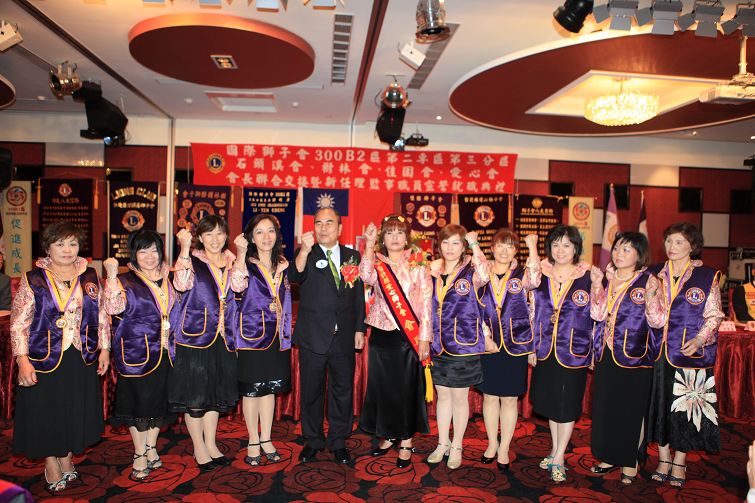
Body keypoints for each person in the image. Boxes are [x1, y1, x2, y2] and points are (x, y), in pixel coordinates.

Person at [11, 221, 110, 493]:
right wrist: (22, 360)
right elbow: (19, 323)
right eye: (60, 244)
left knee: (73, 407)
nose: (67, 250)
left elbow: (102, 314)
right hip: (44, 355)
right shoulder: (33, 279)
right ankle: (50, 460)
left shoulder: (90, 275)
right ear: (48, 247)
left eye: (72, 244)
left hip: (81, 353)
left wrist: (105, 348)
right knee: (47, 409)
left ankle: (66, 455)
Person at [647, 222, 724, 488]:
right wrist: (651, 296)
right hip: (658, 351)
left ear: (692, 246)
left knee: (685, 409)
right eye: (669, 241)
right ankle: (663, 457)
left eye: (679, 242)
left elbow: (714, 315)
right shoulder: (654, 273)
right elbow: (652, 317)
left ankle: (680, 459)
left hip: (690, 353)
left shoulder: (706, 276)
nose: (672, 247)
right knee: (660, 405)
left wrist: (700, 338)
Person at [289, 207, 366, 465]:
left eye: (329, 222)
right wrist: (303, 250)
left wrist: (359, 328)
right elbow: (294, 276)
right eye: (319, 223)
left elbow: (357, 295)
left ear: (340, 228)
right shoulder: (306, 254)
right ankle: (313, 440)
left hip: (343, 335)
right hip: (313, 335)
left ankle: (338, 440)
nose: (323, 227)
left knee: (342, 390)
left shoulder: (352, 256)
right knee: (311, 391)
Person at [589, 232, 664, 484]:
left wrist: (651, 297)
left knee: (631, 409)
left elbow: (658, 321)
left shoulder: (648, 280)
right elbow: (597, 314)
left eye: (626, 250)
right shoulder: (607, 277)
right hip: (606, 352)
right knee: (607, 407)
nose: (619, 254)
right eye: (617, 248)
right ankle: (610, 456)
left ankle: (630, 460)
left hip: (635, 355)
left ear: (639, 255)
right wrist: (596, 286)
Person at [103, 230, 178, 481]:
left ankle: (151, 447)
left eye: (154, 250)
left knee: (158, 404)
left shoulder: (169, 278)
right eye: (143, 251)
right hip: (137, 353)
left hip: (166, 351)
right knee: (139, 406)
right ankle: (139, 453)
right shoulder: (125, 280)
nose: (149, 256)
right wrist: (111, 275)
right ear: (134, 254)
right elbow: (112, 307)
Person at [359, 215, 432, 468]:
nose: (395, 237)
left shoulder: (418, 263)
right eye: (389, 233)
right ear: (383, 238)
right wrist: (369, 245)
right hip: (381, 335)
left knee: (405, 391)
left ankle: (406, 441)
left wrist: (424, 338)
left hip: (408, 337)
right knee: (384, 389)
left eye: (400, 232)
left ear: (407, 237)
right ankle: (390, 434)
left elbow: (426, 303)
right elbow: (364, 276)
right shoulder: (378, 263)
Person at [528, 224, 597, 483]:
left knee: (567, 405)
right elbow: (531, 310)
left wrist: (594, 351)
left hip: (574, 349)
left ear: (576, 248)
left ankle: (559, 457)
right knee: (552, 403)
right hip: (545, 347)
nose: (560, 250)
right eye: (556, 245)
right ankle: (555, 450)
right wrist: (531, 345)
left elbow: (598, 315)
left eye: (566, 245)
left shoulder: (588, 275)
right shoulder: (541, 273)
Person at [171, 215, 240, 471]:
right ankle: (198, 447)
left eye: (220, 233)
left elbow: (240, 288)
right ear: (200, 237)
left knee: (215, 395)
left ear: (226, 236)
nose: (215, 239)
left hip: (224, 336)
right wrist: (184, 249)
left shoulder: (233, 261)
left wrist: (242, 256)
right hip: (195, 337)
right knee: (196, 396)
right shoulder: (191, 259)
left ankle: (211, 444)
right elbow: (180, 284)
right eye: (209, 234)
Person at [426, 224, 489, 470]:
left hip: (464, 343)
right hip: (438, 343)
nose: (449, 248)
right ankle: (442, 442)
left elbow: (486, 274)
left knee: (460, 398)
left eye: (456, 243)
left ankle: (457, 445)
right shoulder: (432, 270)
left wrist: (475, 244)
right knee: (442, 395)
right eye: (445, 242)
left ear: (463, 247)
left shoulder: (472, 270)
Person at [230, 214, 292, 467]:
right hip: (251, 336)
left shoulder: (283, 264)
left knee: (269, 390)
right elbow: (236, 286)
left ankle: (266, 437)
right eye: (259, 232)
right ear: (251, 238)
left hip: (276, 336)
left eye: (271, 231)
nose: (266, 237)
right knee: (252, 391)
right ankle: (253, 439)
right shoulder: (245, 263)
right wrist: (240, 253)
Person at [478, 230, 538, 472]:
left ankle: (504, 447)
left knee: (510, 399)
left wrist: (532, 247)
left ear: (516, 251)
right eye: (500, 246)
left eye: (510, 246)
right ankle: (492, 443)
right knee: (490, 397)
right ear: (492, 248)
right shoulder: (481, 274)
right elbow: (474, 308)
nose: (504, 251)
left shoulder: (522, 275)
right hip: (490, 343)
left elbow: (535, 281)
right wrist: (484, 337)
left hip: (516, 344)